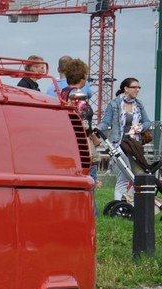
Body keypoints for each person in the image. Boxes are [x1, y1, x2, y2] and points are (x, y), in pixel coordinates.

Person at [97, 78, 152, 201]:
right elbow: (106, 122)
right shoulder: (114, 104)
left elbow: (147, 122)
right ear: (126, 89)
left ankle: (128, 203)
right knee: (124, 178)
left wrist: (141, 127)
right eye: (134, 87)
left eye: (139, 87)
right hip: (119, 145)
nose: (137, 90)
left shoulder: (138, 104)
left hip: (134, 145)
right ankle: (119, 205)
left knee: (137, 177)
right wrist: (96, 129)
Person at [60, 58, 101, 215]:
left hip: (67, 142)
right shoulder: (79, 96)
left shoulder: (63, 93)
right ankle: (92, 214)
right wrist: (94, 137)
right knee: (90, 178)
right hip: (81, 143)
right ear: (82, 76)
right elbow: (84, 122)